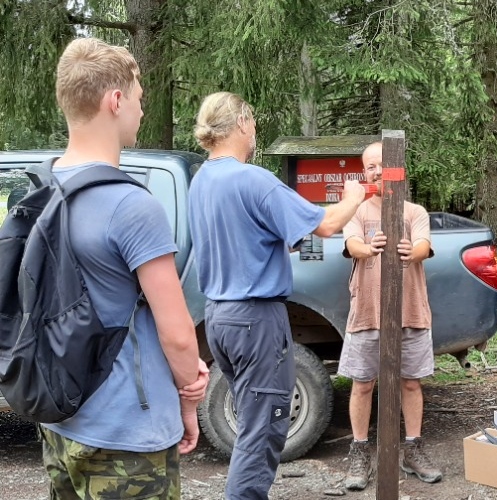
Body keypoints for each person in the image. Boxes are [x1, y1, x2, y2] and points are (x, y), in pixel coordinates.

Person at [39, 37, 206, 499]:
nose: (140, 110)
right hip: (127, 432)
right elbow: (177, 334)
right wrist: (189, 401)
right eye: (138, 98)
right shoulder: (132, 205)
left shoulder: (43, 190)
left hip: (60, 418)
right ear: (115, 101)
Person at [188, 91, 366, 499]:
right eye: (252, 123)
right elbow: (325, 225)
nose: (254, 131)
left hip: (220, 318)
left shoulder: (203, 180)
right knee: (264, 428)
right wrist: (354, 196)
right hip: (255, 321)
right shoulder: (252, 178)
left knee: (253, 422)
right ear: (242, 124)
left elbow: (251, 236)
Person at [339, 141, 442, 490]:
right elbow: (351, 243)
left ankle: (413, 449)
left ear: (398, 167)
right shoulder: (357, 210)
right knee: (363, 383)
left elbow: (424, 246)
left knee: (411, 382)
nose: (378, 171)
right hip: (368, 314)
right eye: (370, 166)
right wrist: (369, 248)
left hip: (410, 312)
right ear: (364, 173)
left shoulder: (414, 212)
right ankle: (359, 451)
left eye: (383, 164)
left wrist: (409, 252)